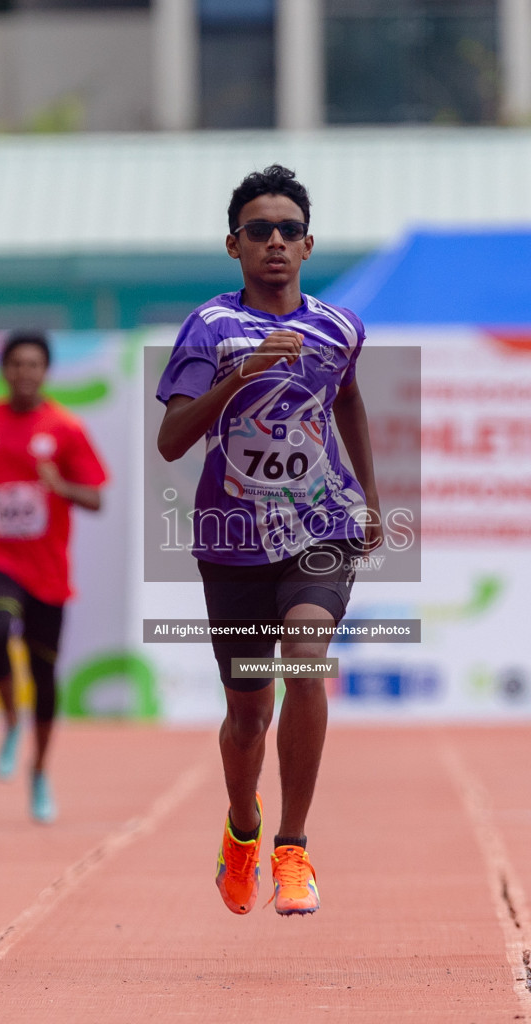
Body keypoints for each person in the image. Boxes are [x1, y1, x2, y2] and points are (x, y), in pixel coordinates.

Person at [155, 164, 381, 917]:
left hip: (321, 529)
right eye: (260, 231)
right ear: (234, 244)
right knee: (248, 715)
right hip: (233, 544)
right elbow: (171, 441)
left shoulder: (339, 327)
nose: (275, 242)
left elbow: (347, 397)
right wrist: (239, 376)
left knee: (305, 662)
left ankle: (293, 848)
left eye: (288, 230)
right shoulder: (210, 329)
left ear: (309, 245)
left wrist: (371, 499)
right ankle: (243, 828)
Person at [0, 330, 108, 823]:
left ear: (45, 371)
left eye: (33, 365)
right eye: (16, 364)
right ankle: (11, 720)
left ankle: (39, 772)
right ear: (4, 370)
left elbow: (97, 499)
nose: (24, 373)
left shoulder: (66, 429)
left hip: (48, 571)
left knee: (44, 675)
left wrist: (61, 485)